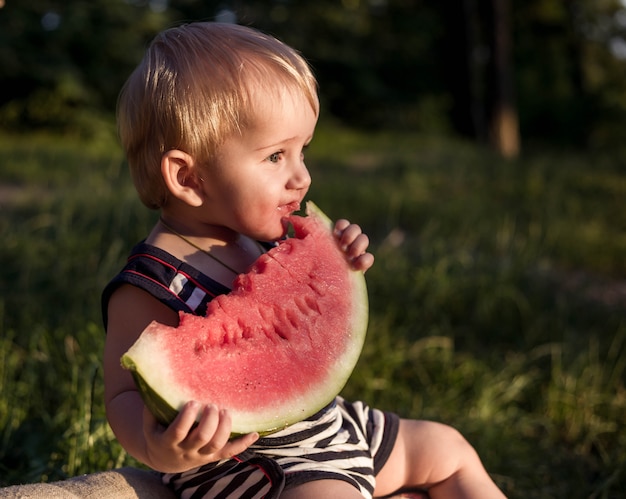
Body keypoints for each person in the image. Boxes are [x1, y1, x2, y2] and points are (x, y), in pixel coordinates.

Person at [102, 21, 507, 499]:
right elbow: (123, 395)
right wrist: (159, 448)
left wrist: (340, 263)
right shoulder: (148, 283)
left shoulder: (264, 238)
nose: (302, 177)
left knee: (449, 447)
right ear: (188, 178)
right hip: (250, 462)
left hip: (334, 423)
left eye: (302, 151)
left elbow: (306, 312)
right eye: (275, 156)